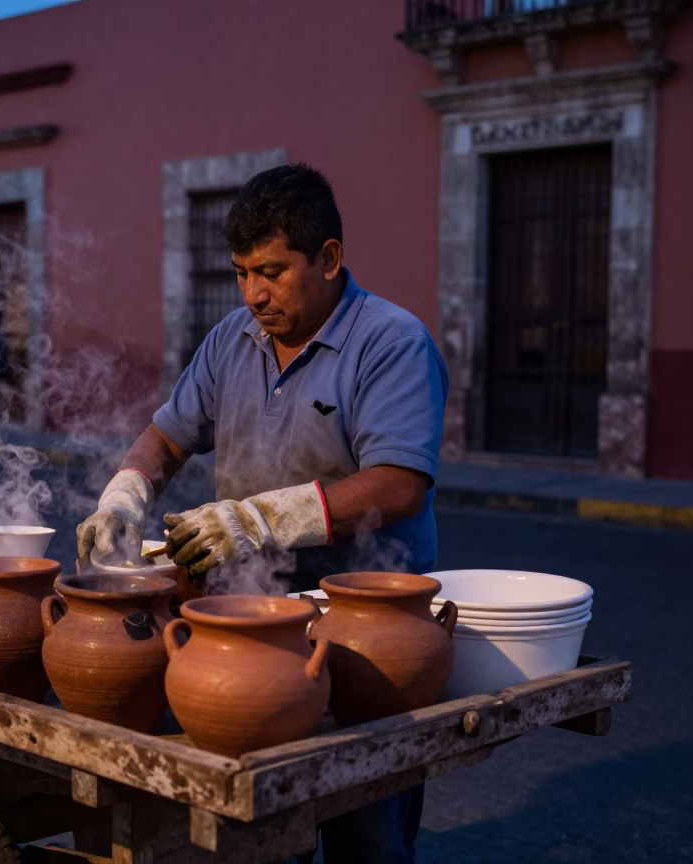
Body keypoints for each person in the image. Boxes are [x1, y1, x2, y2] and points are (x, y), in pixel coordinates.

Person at [77, 164, 447, 864]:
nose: (253, 294)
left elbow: (400, 486)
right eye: (242, 272)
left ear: (330, 259)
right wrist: (126, 491)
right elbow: (167, 436)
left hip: (359, 629)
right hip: (244, 618)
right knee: (249, 820)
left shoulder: (392, 341)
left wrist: (258, 520)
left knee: (362, 828)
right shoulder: (231, 340)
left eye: (272, 272)